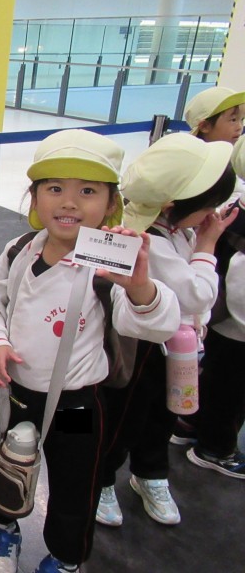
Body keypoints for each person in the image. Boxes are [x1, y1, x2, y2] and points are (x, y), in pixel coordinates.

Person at [0, 129, 180, 573]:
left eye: (87, 191)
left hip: (77, 402)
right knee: (1, 465)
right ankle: (4, 531)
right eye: (54, 189)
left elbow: (153, 324)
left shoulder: (111, 265)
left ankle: (66, 558)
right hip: (14, 391)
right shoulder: (18, 251)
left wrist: (140, 286)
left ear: (110, 204)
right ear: (34, 199)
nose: (69, 202)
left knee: (75, 486)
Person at [97, 133, 236, 529]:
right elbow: (197, 295)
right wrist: (208, 247)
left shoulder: (178, 228)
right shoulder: (148, 239)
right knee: (127, 417)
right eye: (206, 207)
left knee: (163, 416)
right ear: (173, 205)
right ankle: (104, 481)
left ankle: (151, 474)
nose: (210, 216)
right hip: (140, 354)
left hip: (176, 351)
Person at [170, 86, 245, 445]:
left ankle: (182, 426)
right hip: (204, 305)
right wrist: (209, 243)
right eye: (232, 118)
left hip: (190, 325)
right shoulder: (155, 243)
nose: (238, 127)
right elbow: (196, 292)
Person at [182, 135, 245, 479]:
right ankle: (215, 447)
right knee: (228, 388)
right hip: (230, 326)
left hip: (211, 326)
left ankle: (189, 420)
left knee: (204, 380)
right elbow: (207, 291)